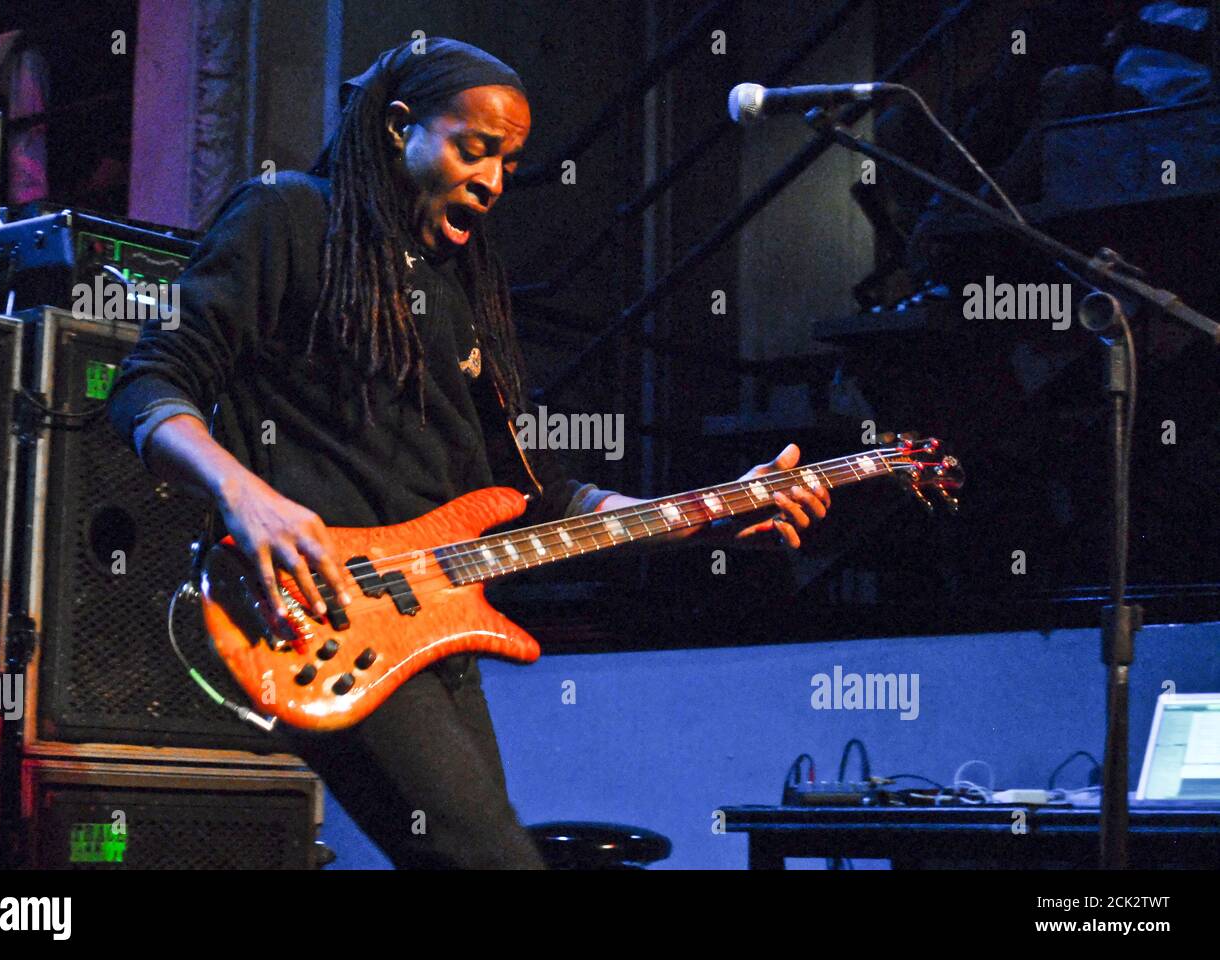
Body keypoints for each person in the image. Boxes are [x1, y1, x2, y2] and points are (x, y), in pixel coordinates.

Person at [108, 37, 829, 869]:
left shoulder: (463, 289)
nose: (491, 181)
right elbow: (149, 384)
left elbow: (537, 499)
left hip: (431, 628)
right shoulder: (291, 218)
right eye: (474, 149)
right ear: (399, 127)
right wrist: (244, 492)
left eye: (508, 163)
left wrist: (710, 515)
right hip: (321, 613)